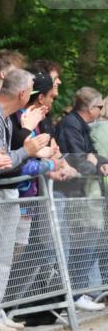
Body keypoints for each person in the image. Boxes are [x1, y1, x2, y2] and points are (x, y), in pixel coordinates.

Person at [0, 68, 51, 331]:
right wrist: (27, 150)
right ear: (23, 93)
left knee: (1, 257)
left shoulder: (2, 116)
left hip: (4, 196)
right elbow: (0, 164)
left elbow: (5, 160)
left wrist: (26, 148)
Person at [54, 87, 108, 311]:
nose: (101, 110)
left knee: (89, 243)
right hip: (71, 192)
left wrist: (100, 162)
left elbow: (93, 154)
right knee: (79, 244)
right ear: (90, 107)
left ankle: (79, 292)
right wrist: (93, 164)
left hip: (80, 191)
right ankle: (74, 293)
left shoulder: (82, 125)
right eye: (100, 106)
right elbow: (78, 159)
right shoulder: (70, 125)